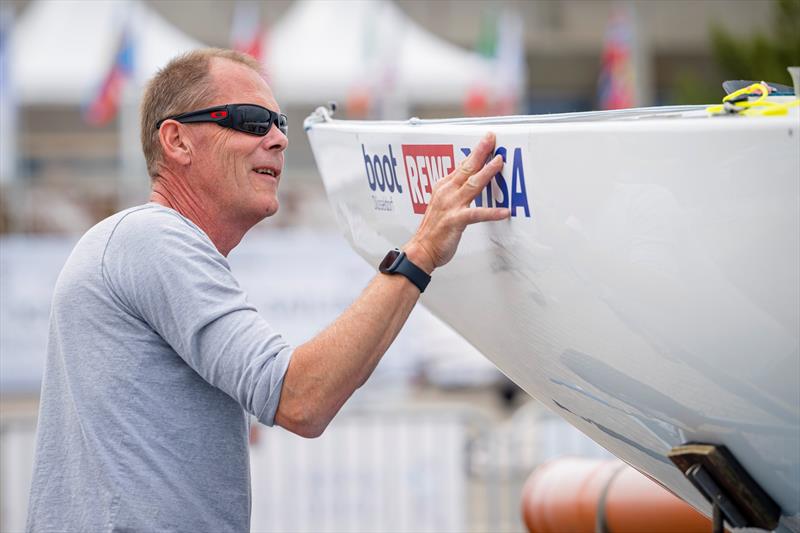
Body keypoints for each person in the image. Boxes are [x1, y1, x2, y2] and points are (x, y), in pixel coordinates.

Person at [26, 48, 508, 532]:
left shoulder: (140, 245)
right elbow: (302, 398)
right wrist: (422, 248)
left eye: (278, 123)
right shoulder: (152, 239)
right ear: (176, 141)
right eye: (252, 121)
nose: (278, 139)